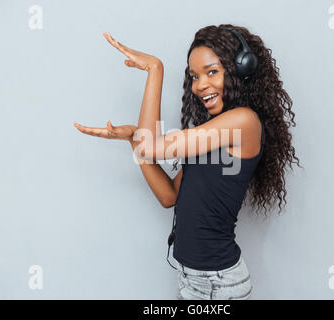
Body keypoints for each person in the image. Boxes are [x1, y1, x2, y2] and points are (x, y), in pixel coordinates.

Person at [74, 24, 302, 300]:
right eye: (194, 76)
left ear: (241, 70)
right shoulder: (212, 135)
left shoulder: (243, 121)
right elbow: (169, 196)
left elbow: (151, 147)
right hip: (193, 279)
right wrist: (135, 139)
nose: (200, 85)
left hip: (218, 285)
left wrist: (154, 70)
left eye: (212, 72)